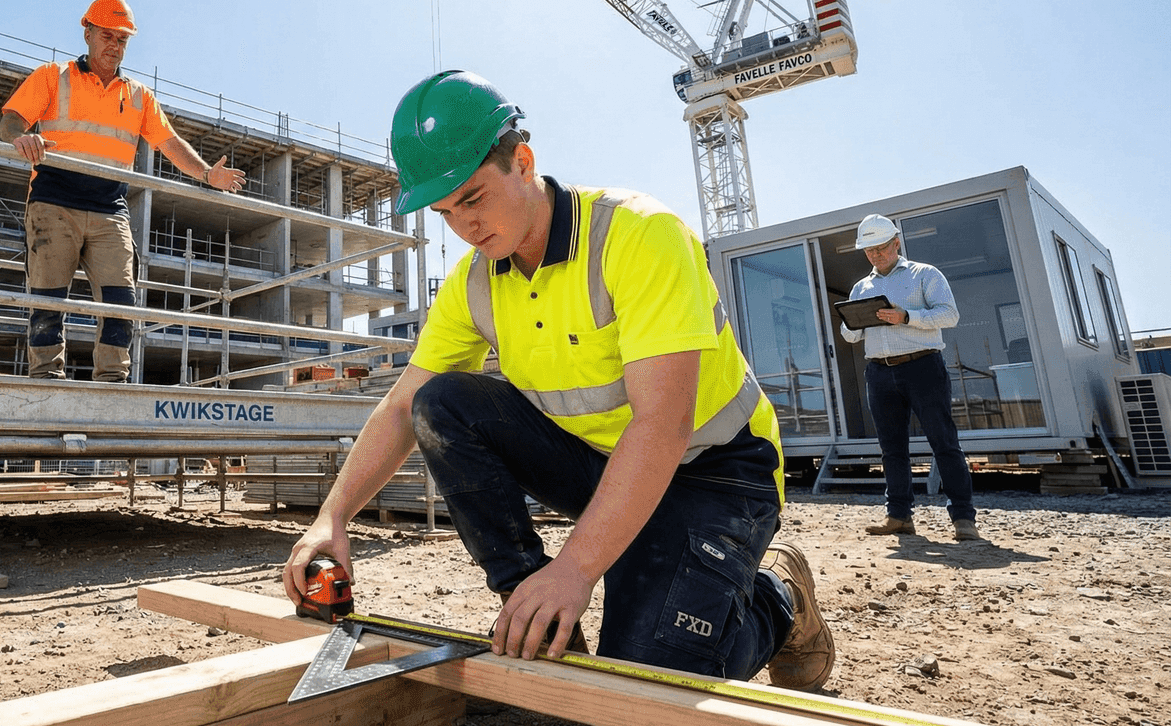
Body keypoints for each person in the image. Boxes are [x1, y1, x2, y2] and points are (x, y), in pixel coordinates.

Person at [283, 70, 835, 691]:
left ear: (523, 161)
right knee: (441, 403)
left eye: (473, 198)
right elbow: (403, 404)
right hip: (600, 464)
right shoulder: (475, 283)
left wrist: (575, 569)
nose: (464, 226)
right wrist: (331, 518)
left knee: (647, 682)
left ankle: (780, 596)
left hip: (713, 471)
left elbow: (664, 423)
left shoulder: (639, 235)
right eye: (445, 212)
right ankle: (537, 616)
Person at [0, 0, 245, 382]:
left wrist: (205, 174)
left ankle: (112, 380)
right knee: (47, 299)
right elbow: (11, 120)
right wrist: (21, 138)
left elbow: (170, 142)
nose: (114, 45)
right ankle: (46, 377)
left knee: (121, 301)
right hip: (53, 202)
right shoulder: (52, 76)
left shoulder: (138, 96)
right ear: (88, 33)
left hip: (109, 207)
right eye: (107, 36)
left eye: (122, 39)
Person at [839, 214, 980, 541]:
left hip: (923, 367)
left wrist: (906, 317)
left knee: (943, 442)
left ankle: (963, 519)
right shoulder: (862, 287)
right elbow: (849, 336)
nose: (876, 255)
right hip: (878, 371)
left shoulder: (925, 274)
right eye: (869, 251)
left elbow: (950, 314)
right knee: (891, 448)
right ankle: (899, 516)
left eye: (881, 248)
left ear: (896, 242)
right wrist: (854, 322)